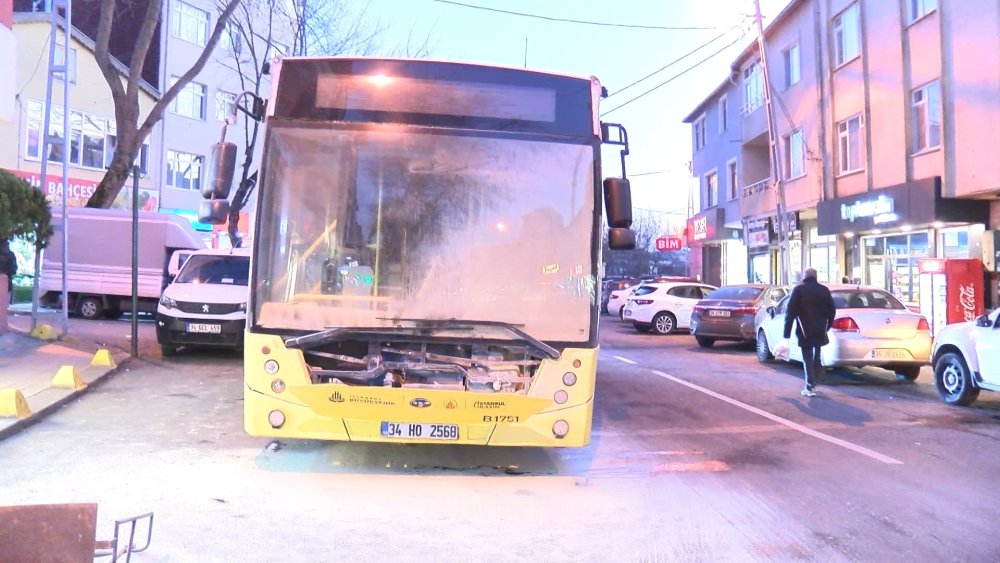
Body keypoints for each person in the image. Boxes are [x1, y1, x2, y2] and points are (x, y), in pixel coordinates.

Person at [783, 267, 836, 397]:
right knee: (816, 355)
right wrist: (827, 325)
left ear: (804, 276)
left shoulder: (799, 290)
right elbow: (832, 311)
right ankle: (816, 380)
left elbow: (790, 313)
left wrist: (786, 335)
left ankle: (809, 385)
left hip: (804, 328)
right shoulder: (824, 290)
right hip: (820, 328)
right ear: (816, 276)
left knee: (807, 357)